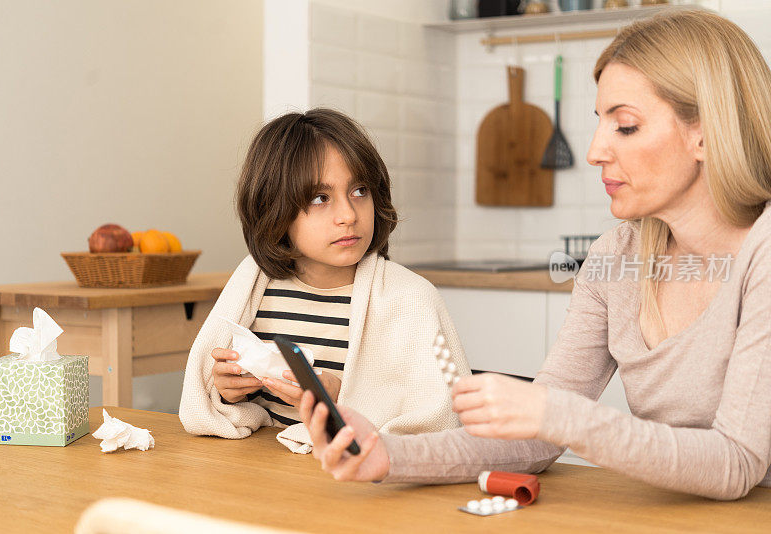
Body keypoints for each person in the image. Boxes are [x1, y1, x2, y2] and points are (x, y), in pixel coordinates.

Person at [298, 9, 771, 499]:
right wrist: (390, 454)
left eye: (625, 126)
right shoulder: (616, 258)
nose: (594, 152)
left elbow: (736, 464)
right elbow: (534, 439)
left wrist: (557, 414)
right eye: (599, 123)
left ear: (705, 133)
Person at [179, 108, 470, 453]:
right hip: (265, 475)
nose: (348, 215)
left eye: (360, 191)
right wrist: (227, 392)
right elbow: (223, 408)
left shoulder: (412, 300)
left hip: (363, 484)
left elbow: (447, 421)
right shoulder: (254, 287)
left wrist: (339, 401)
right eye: (320, 198)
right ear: (274, 208)